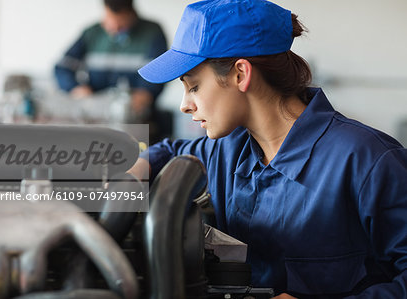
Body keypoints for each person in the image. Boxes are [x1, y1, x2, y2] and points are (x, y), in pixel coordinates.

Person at [129, 0, 407, 298]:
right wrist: (132, 174)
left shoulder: (367, 160)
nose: (185, 104)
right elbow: (172, 152)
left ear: (240, 74)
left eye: (193, 86)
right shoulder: (227, 151)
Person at [54, 0, 168, 143]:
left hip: (136, 116)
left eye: (120, 21)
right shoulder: (92, 33)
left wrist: (147, 92)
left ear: (132, 13)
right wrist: (75, 88)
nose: (114, 26)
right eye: (109, 19)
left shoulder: (152, 32)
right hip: (96, 117)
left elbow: (161, 70)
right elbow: (62, 67)